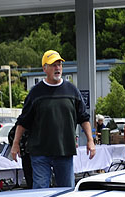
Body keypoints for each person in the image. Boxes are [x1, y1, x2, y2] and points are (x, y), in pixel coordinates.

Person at [10, 50, 94, 189]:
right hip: (40, 153)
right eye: (53, 65)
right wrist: (15, 143)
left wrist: (90, 140)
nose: (57, 68)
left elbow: (83, 118)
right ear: (44, 68)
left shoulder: (72, 91)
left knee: (66, 191)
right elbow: (23, 121)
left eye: (59, 64)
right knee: (40, 193)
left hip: (64, 151)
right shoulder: (35, 93)